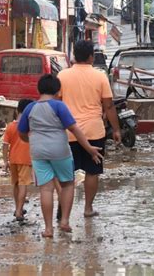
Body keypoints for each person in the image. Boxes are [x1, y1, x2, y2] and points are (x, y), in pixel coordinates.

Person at [18, 75, 104, 238]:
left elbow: (21, 132)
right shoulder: (59, 106)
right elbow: (74, 129)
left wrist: (31, 141)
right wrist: (89, 148)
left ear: (39, 89)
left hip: (38, 152)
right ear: (58, 91)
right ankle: (64, 221)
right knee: (67, 184)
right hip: (60, 151)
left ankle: (48, 229)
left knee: (46, 189)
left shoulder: (30, 108)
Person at [58, 40, 121, 218]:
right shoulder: (100, 76)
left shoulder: (62, 76)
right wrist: (116, 130)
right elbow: (108, 106)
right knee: (92, 172)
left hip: (69, 132)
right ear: (91, 56)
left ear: (74, 56)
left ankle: (64, 213)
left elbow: (57, 103)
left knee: (67, 173)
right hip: (94, 132)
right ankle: (87, 208)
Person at [3, 99, 34, 221]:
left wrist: (5, 161)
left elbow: (5, 145)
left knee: (15, 184)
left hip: (13, 160)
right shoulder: (30, 127)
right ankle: (19, 211)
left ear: (17, 110)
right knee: (23, 185)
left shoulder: (10, 126)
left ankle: (17, 208)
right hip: (26, 160)